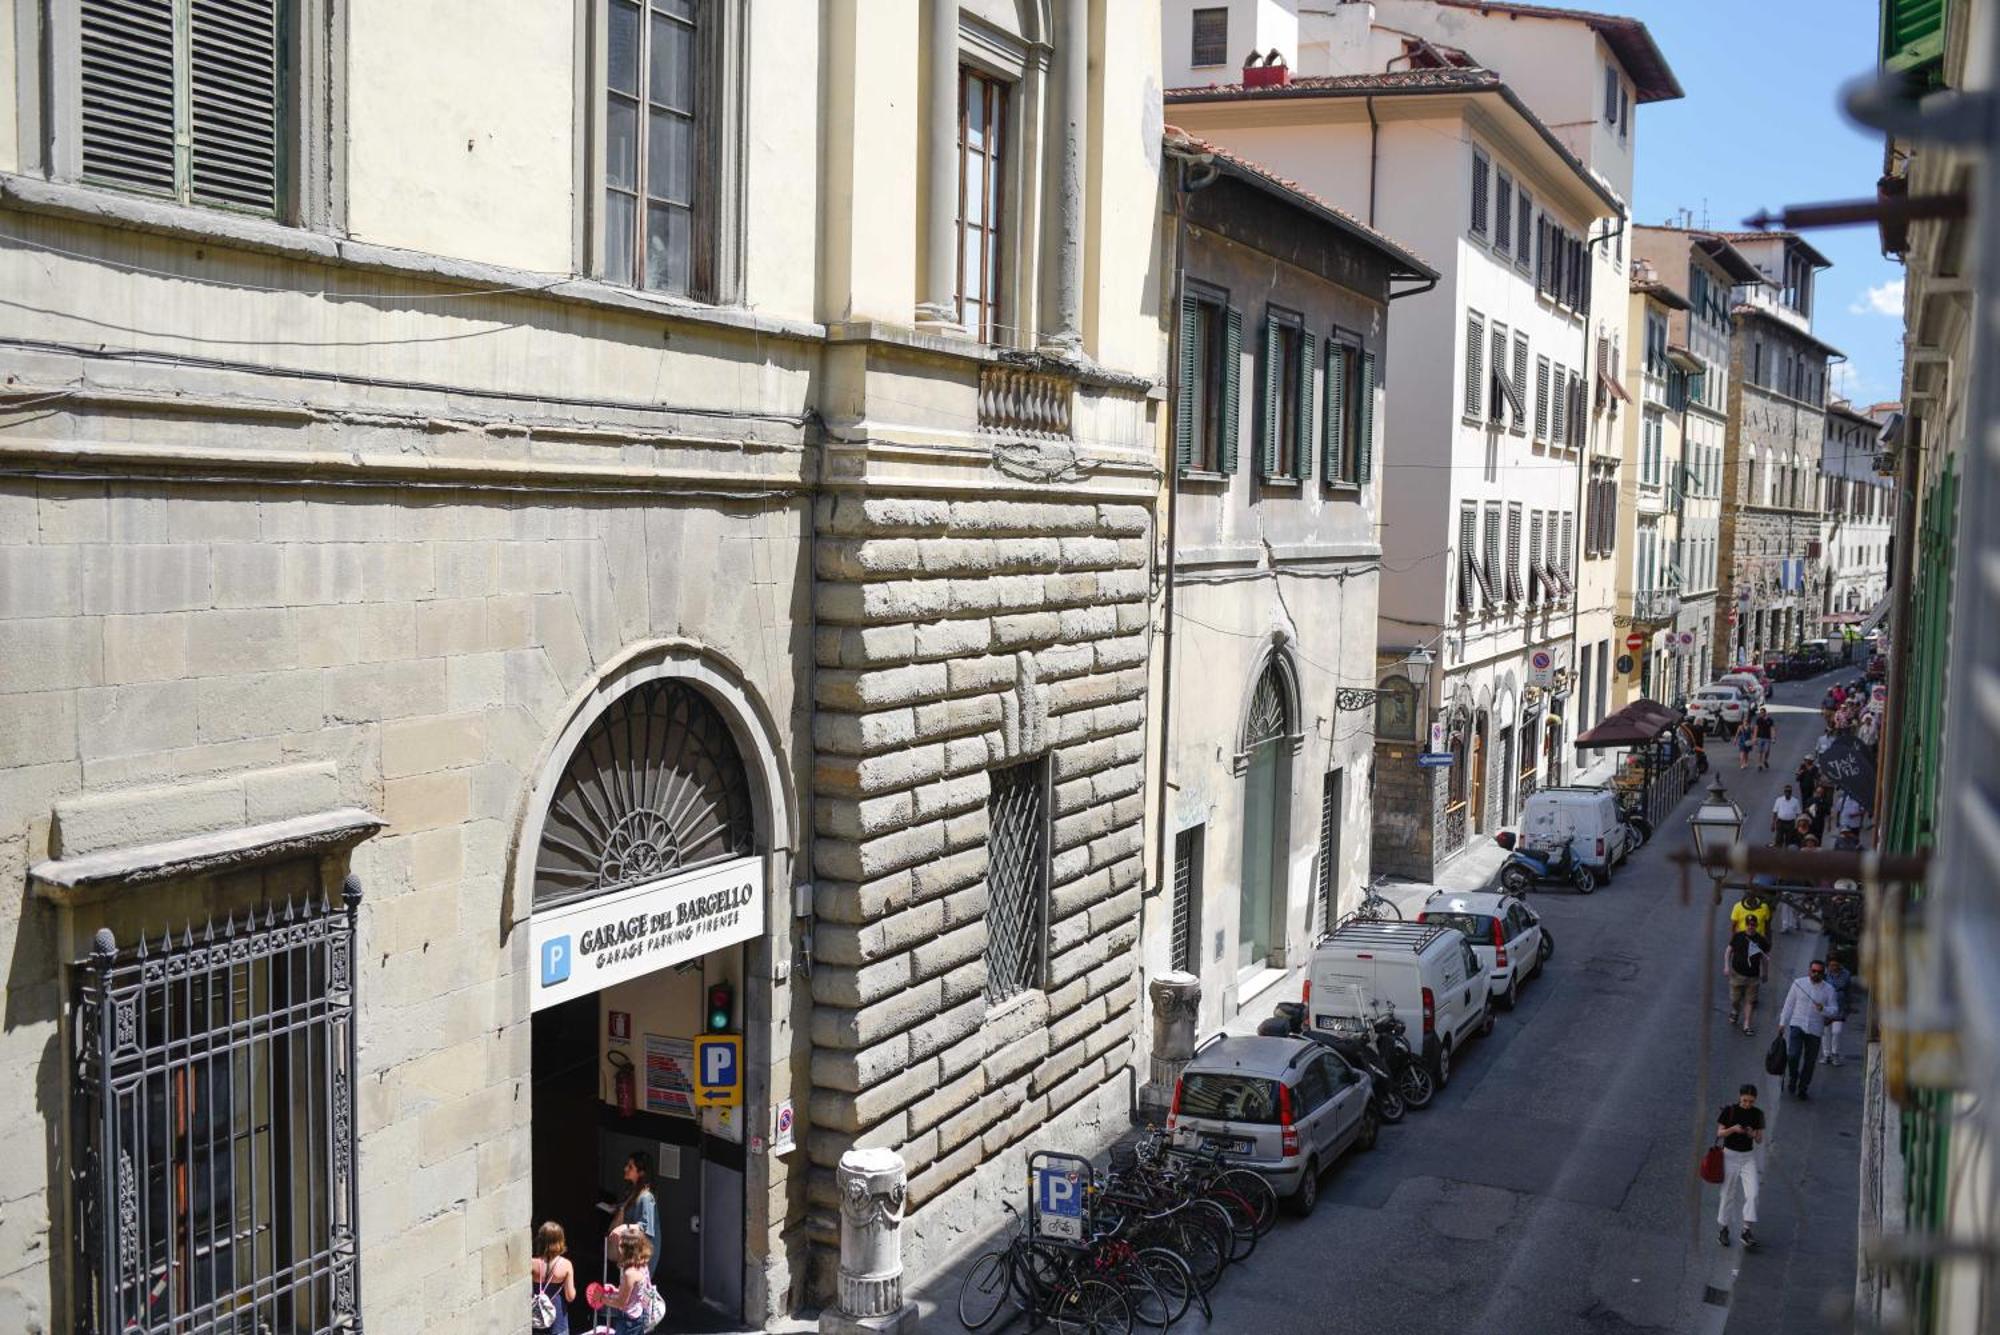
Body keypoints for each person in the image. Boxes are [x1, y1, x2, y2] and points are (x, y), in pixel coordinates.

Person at [1778, 960, 1840, 1098]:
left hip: (1815, 1029)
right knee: (1793, 1055)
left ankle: (1803, 1086)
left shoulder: (1829, 989)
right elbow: (1789, 1004)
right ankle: (1793, 1076)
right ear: (1809, 970)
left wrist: (1823, 1009)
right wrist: (1783, 1022)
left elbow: (1835, 1011)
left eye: (1819, 972)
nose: (1815, 974)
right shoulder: (1798, 983)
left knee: (1810, 1060)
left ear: (1823, 973)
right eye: (1813, 971)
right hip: (1797, 1025)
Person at [1715, 1084, 1766, 1249]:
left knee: (1753, 1194)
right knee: (1727, 1194)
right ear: (1740, 1097)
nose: (1747, 1104)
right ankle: (1723, 1229)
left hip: (1747, 1157)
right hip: (1729, 1155)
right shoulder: (1730, 1110)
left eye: (1751, 1101)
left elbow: (1759, 1139)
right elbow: (1719, 1133)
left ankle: (1746, 1230)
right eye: (1745, 1100)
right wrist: (1732, 1129)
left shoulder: (1758, 1114)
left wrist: (1752, 1134)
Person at [609, 1152, 660, 1280]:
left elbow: (646, 1227)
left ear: (641, 1173)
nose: (625, 1169)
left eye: (630, 1167)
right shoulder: (633, 1191)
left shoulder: (646, 1197)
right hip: (631, 1250)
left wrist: (623, 1227)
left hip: (641, 1254)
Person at [604, 1229, 660, 1335]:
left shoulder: (630, 1274)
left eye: (620, 1246)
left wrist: (602, 1299)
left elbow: (621, 1302)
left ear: (627, 1250)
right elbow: (634, 1293)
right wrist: (615, 1291)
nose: (618, 1249)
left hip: (628, 1319)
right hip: (638, 1315)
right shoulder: (642, 1266)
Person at [1724, 916, 1771, 1036]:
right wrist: (1726, 966)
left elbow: (1765, 959)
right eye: (1749, 924)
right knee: (1735, 999)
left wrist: (1765, 973)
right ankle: (1735, 1010)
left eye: (1753, 924)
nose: (1751, 926)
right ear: (1746, 925)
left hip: (1753, 977)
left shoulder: (1761, 940)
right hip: (1737, 974)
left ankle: (1747, 1024)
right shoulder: (1738, 936)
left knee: (1750, 1001)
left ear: (1756, 925)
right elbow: (1729, 951)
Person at [531, 1221, 576, 1334]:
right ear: (560, 1241)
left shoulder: (532, 1263)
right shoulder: (566, 1265)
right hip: (558, 1321)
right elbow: (570, 1297)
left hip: (536, 1321)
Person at [1823, 956, 1854, 1067]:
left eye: (1836, 965)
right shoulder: (1824, 974)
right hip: (1827, 1006)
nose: (1834, 967)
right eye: (1831, 965)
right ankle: (1826, 1054)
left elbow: (1849, 991)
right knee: (1826, 1032)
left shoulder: (1846, 975)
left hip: (1840, 1006)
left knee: (1837, 1031)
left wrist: (1849, 1007)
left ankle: (1835, 1053)